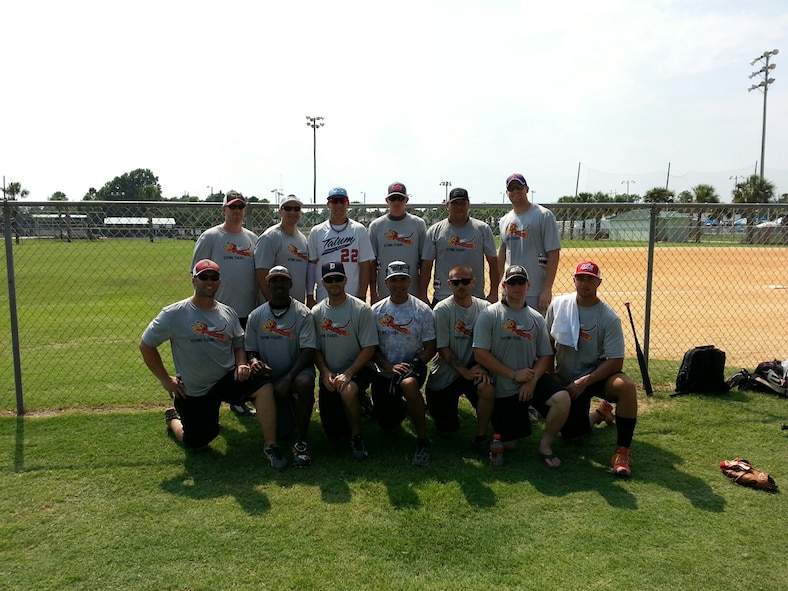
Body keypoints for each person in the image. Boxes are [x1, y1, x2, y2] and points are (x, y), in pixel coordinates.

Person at [139, 259, 287, 470]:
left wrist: (241, 364)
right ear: (194, 280)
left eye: (213, 277)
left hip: (226, 378)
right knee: (197, 443)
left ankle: (271, 446)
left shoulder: (228, 312)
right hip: (196, 389)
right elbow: (146, 345)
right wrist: (166, 380)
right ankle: (173, 419)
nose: (209, 281)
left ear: (219, 281)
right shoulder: (173, 314)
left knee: (263, 384)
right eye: (204, 277)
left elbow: (238, 342)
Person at [545, 261, 638, 477]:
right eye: (580, 278)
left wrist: (584, 381)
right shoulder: (559, 305)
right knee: (573, 436)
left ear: (599, 282)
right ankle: (599, 414)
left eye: (590, 279)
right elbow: (547, 343)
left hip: (596, 377)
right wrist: (551, 373)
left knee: (626, 386)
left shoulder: (608, 317)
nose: (584, 283)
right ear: (574, 280)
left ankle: (622, 452)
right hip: (567, 378)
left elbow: (616, 361)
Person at [473, 265, 570, 468]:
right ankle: (517, 417)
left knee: (562, 399)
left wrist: (532, 381)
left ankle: (545, 446)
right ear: (504, 286)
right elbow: (480, 354)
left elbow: (545, 355)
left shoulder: (536, 318)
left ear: (528, 285)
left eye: (521, 282)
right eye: (512, 283)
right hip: (505, 386)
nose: (517, 287)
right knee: (509, 445)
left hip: (529, 379)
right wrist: (513, 374)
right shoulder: (489, 315)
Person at [192, 190, 259, 417]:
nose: (237, 211)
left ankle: (238, 401)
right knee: (215, 361)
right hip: (216, 312)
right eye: (232, 207)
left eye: (240, 206)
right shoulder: (211, 237)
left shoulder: (252, 239)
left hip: (246, 310)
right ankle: (205, 406)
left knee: (242, 361)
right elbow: (197, 275)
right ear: (224, 209)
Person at [245, 265, 317, 467]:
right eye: (274, 281)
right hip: (269, 378)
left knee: (305, 382)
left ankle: (301, 441)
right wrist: (254, 362)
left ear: (290, 284)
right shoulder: (256, 316)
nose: (278, 284)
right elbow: (251, 350)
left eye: (283, 280)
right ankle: (282, 418)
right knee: (283, 431)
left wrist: (288, 378)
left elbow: (308, 351)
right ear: (267, 285)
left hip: (295, 373)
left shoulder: (303, 313)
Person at [370, 261, 436, 466]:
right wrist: (388, 366)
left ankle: (423, 440)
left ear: (409, 281)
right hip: (385, 371)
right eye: (394, 280)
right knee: (388, 427)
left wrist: (414, 365)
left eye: (402, 279)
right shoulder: (376, 311)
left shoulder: (422, 310)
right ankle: (402, 406)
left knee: (409, 385)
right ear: (386, 283)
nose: (398, 285)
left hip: (411, 368)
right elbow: (371, 348)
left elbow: (430, 346)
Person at [312, 261, 379, 461]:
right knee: (334, 434)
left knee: (347, 390)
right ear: (322, 282)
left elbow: (369, 348)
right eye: (329, 279)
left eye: (338, 279)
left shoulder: (361, 309)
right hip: (331, 373)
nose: (334, 283)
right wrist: (325, 372)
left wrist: (349, 373)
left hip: (358, 368)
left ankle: (357, 437)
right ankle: (362, 404)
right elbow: (315, 349)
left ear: (345, 280)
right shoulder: (316, 312)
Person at [426, 264, 495, 455]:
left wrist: (481, 367)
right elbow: (442, 348)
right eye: (456, 282)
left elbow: (492, 345)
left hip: (475, 368)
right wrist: (465, 372)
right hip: (446, 374)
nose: (461, 286)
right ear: (449, 284)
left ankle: (480, 437)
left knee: (487, 388)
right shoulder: (442, 309)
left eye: (465, 281)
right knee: (446, 432)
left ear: (473, 282)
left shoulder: (485, 308)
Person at [420, 187, 499, 306]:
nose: (459, 207)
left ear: (468, 205)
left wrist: (494, 293)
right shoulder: (435, 230)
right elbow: (427, 265)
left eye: (463, 203)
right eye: (455, 203)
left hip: (474, 297)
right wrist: (423, 295)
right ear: (447, 205)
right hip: (443, 297)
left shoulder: (482, 229)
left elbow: (493, 262)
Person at [497, 173, 561, 313]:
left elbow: (553, 253)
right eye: (511, 188)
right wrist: (501, 286)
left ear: (526, 189)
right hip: (510, 289)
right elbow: (502, 254)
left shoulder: (543, 215)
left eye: (519, 187)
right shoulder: (504, 220)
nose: (515, 191)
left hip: (535, 291)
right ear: (507, 193)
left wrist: (547, 289)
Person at [307, 187, 375, 307]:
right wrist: (309, 295)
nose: (338, 205)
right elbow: (312, 264)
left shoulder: (359, 230)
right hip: (324, 297)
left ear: (347, 204)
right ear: (328, 204)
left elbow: (365, 265)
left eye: (342, 201)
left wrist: (362, 295)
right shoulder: (317, 231)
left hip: (353, 297)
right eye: (334, 201)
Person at [368, 182, 426, 304]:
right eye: (393, 198)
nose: (396, 202)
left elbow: (424, 261)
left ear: (406, 200)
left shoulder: (418, 224)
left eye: (400, 198)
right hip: (385, 291)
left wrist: (423, 293)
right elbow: (371, 262)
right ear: (387, 200)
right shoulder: (376, 226)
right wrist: (373, 293)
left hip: (412, 290)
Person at [255, 195, 309, 304]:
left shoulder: (302, 239)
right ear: (280, 212)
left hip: (297, 306)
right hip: (275, 306)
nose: (292, 212)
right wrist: (273, 303)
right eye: (288, 208)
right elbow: (261, 273)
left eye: (296, 209)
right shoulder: (270, 237)